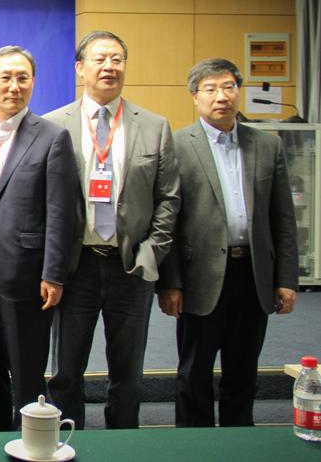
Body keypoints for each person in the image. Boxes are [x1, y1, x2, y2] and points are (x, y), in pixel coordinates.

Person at [45, 30, 180, 429]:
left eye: (117, 59)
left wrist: (150, 253)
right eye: (100, 59)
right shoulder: (53, 126)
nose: (109, 67)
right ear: (80, 67)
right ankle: (66, 441)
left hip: (131, 265)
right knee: (66, 370)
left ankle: (125, 442)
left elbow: (169, 198)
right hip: (76, 266)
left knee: (128, 373)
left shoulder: (154, 126)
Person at [157, 58, 298, 427]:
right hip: (198, 277)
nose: (221, 96)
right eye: (210, 89)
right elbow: (168, 221)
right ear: (195, 97)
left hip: (253, 275)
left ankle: (239, 439)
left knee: (244, 370)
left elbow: (283, 219)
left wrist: (286, 279)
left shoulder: (267, 145)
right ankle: (195, 444)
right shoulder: (176, 145)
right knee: (193, 373)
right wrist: (169, 283)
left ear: (239, 92)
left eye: (228, 87)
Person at [0, 46, 79, 430]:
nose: (14, 86)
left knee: (27, 372)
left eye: (22, 78)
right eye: (5, 77)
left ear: (33, 83)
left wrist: (54, 273)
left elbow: (61, 211)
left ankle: (30, 443)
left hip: (27, 274)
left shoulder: (53, 137)